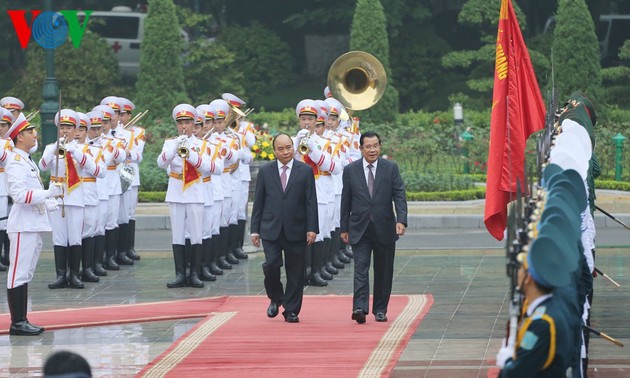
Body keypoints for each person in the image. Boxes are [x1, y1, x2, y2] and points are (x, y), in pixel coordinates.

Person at [340, 131, 407, 324]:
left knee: (384, 271)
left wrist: (401, 220)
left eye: (375, 145)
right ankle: (359, 308)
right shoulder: (351, 170)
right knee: (360, 269)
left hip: (385, 228)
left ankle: (380, 310)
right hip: (359, 228)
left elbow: (399, 195)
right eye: (368, 146)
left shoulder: (390, 168)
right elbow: (345, 201)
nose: (372, 150)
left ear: (380, 146)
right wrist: (344, 228)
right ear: (360, 148)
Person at [250, 133, 318, 323]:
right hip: (270, 228)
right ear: (274, 151)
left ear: (293, 147)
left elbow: (311, 201)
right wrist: (254, 230)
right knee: (271, 265)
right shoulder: (266, 171)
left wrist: (312, 228)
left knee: (295, 270)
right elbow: (259, 202)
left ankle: (291, 309)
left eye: (288, 147)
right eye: (281, 149)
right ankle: (275, 297)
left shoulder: (304, 171)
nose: (286, 152)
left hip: (297, 228)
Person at [5, 113, 62, 335]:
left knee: (26, 273)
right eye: (30, 132)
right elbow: (19, 195)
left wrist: (48, 203)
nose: (34, 134)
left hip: (33, 224)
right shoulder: (15, 161)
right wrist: (47, 193)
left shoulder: (26, 160)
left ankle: (22, 319)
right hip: (23, 226)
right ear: (20, 137)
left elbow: (31, 194)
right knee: (18, 273)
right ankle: (17, 322)